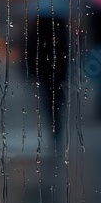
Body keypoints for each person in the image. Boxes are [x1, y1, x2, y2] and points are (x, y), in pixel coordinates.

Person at [24, 15, 69, 148]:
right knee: (58, 94)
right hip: (59, 70)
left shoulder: (37, 31)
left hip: (44, 70)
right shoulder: (61, 30)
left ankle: (53, 121)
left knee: (48, 96)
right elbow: (66, 51)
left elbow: (30, 51)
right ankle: (56, 120)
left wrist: (31, 70)